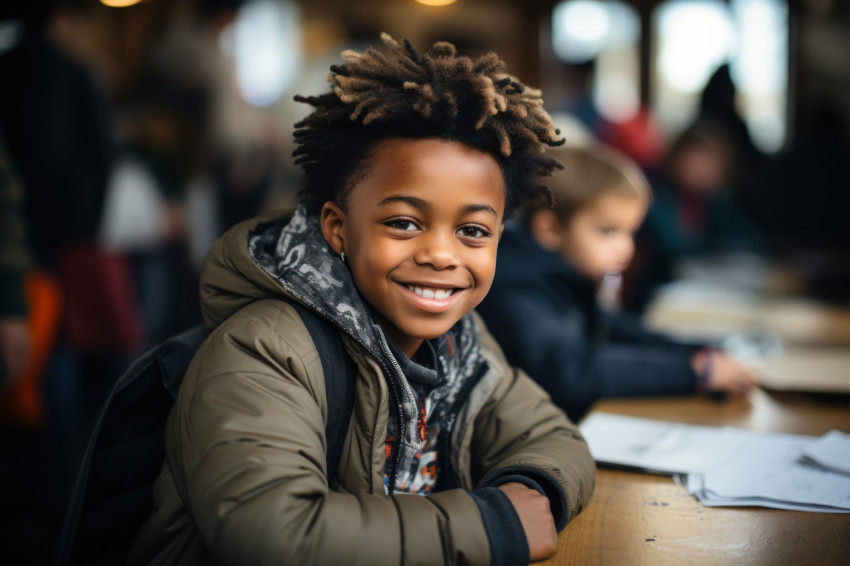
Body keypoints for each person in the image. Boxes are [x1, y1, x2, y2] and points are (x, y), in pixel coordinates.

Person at [129, 34, 596, 566]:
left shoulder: (460, 343)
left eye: (472, 231)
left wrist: (528, 490)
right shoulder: (263, 351)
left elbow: (553, 437)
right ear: (338, 228)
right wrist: (492, 524)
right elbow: (275, 533)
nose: (442, 255)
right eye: (403, 223)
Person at [476, 144, 756, 423]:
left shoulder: (559, 274)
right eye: (608, 231)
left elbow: (609, 327)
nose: (626, 249)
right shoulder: (515, 285)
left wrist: (698, 351)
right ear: (550, 229)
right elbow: (569, 371)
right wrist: (693, 373)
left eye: (630, 232)